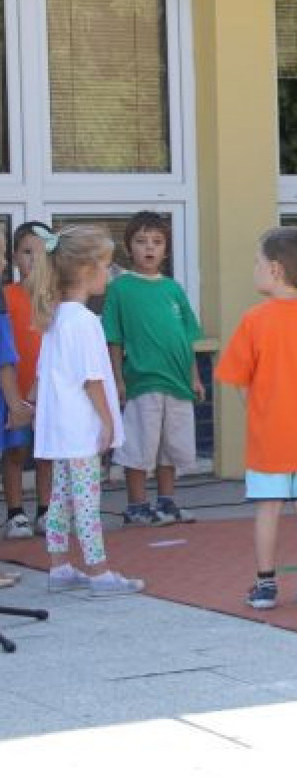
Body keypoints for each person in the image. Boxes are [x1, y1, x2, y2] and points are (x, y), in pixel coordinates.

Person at [216, 227, 297, 610]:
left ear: (274, 270)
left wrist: (259, 410)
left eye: (257, 262)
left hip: (269, 436)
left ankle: (266, 584)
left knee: (267, 508)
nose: (253, 269)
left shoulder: (255, 320)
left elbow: (238, 380)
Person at [26, 224, 144, 597]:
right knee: (87, 501)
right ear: (86, 269)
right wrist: (108, 422)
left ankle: (60, 566)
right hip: (80, 427)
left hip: (61, 427)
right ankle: (98, 572)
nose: (109, 273)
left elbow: (44, 375)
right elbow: (92, 379)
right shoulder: (85, 322)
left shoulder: (55, 318)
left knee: (60, 498)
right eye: (106, 265)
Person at [102, 211, 205, 527]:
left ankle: (166, 502)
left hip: (178, 381)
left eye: (157, 242)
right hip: (142, 380)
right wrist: (118, 379)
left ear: (166, 250)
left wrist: (195, 377)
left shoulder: (173, 289)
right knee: (139, 444)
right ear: (128, 247)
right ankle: (137, 505)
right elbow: (114, 337)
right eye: (141, 241)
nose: (149, 247)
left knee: (171, 446)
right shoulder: (120, 288)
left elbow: (186, 337)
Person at [2, 222, 52, 539]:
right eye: (27, 252)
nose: (34, 259)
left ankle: (46, 510)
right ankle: (15, 513)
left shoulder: (57, 300)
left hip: (48, 391)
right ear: (15, 257)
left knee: (47, 453)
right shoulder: (7, 296)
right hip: (15, 390)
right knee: (16, 451)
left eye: (42, 253)